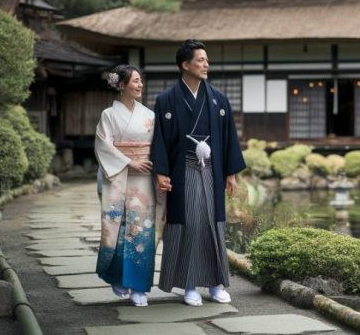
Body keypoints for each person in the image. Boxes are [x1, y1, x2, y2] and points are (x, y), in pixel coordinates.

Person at [151, 39, 246, 306]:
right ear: (185, 64)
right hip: (184, 171)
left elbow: (229, 138)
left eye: (207, 60)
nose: (206, 64)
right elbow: (160, 139)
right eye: (201, 60)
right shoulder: (166, 100)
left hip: (213, 172)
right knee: (190, 225)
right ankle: (190, 285)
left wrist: (230, 173)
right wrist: (161, 172)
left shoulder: (218, 99)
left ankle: (216, 284)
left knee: (214, 226)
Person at [94, 64, 157, 307]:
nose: (140, 85)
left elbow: (156, 146)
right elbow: (103, 145)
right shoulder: (109, 115)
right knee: (118, 228)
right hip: (118, 176)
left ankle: (140, 287)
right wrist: (129, 161)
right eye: (135, 81)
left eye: (141, 81)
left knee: (142, 229)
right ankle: (117, 277)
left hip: (143, 178)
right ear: (121, 85)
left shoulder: (149, 116)